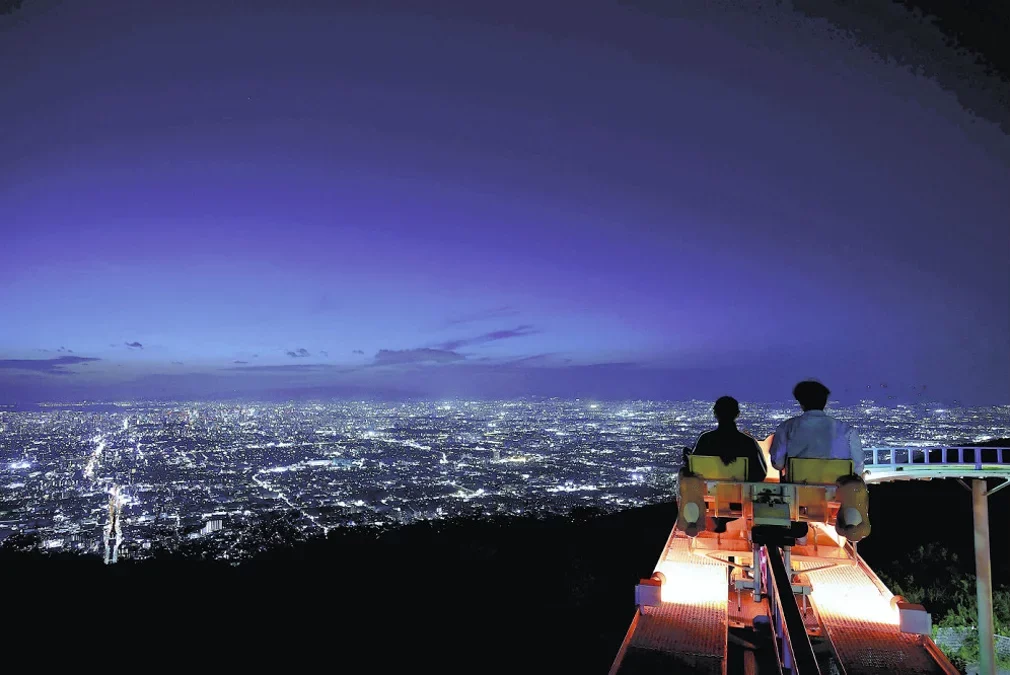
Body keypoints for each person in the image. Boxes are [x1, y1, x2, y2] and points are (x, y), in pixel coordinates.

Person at [770, 380, 864, 476]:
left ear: (801, 403)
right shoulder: (848, 431)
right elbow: (858, 469)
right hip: (839, 489)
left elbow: (778, 463)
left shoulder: (786, 428)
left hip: (798, 489)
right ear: (825, 402)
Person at [691, 396, 768, 482]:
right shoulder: (748, 442)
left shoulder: (705, 440)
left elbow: (694, 470)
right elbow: (760, 474)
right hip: (741, 492)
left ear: (715, 414)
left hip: (709, 492)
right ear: (737, 414)